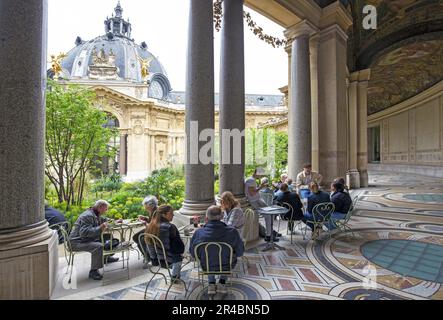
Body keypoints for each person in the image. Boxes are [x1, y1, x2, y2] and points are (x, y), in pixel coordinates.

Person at [189, 206, 244, 295]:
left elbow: (192, 252)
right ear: (222, 217)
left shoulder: (198, 233)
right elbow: (240, 252)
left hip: (206, 266)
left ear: (206, 218)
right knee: (226, 257)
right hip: (226, 266)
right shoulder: (232, 232)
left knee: (209, 256)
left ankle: (211, 283)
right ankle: (222, 282)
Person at [69, 200, 120, 281]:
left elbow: (104, 220)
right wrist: (100, 228)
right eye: (105, 209)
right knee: (98, 246)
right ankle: (93, 271)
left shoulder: (95, 213)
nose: (106, 211)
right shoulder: (88, 216)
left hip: (84, 239)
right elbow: (84, 233)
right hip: (77, 242)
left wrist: (115, 221)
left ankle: (106, 257)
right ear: (100, 207)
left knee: (108, 236)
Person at [145, 205, 185, 280]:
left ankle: (175, 275)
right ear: (164, 215)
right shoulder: (170, 227)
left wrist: (154, 258)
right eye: (171, 213)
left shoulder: (150, 226)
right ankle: (174, 276)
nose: (173, 215)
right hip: (170, 261)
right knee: (179, 256)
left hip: (156, 260)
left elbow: (149, 245)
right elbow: (179, 248)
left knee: (175, 252)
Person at [244, 169, 280, 242]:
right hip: (255, 201)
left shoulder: (252, 180)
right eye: (261, 174)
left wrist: (261, 187)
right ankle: (268, 236)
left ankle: (270, 232)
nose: (262, 176)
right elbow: (252, 193)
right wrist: (261, 187)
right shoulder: (250, 180)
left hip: (258, 199)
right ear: (256, 173)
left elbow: (254, 191)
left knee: (270, 214)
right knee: (268, 215)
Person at [133, 196, 158, 267]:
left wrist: (145, 224)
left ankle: (149, 258)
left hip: (156, 232)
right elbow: (151, 221)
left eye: (146, 206)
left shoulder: (157, 212)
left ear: (151, 205)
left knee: (141, 239)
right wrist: (145, 218)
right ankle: (146, 254)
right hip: (151, 229)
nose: (145, 208)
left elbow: (154, 227)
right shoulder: (152, 211)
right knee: (135, 237)